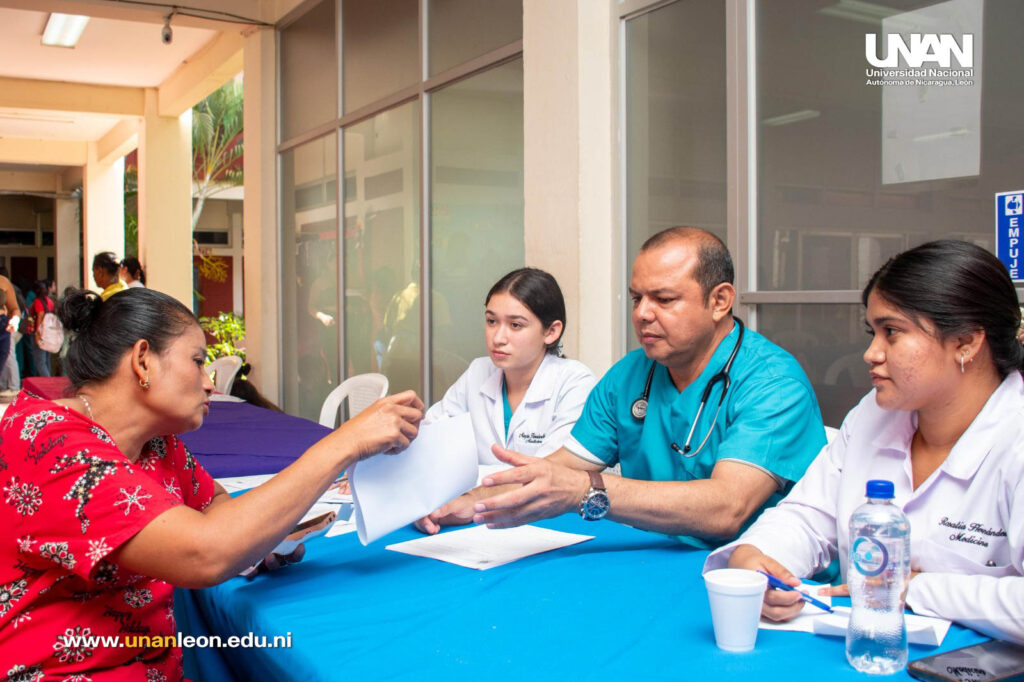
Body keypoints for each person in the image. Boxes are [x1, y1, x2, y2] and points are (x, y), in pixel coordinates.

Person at [0, 287, 424, 678]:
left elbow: (214, 506)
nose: (209, 383)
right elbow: (204, 553)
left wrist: (256, 541)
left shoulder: (156, 444)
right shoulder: (48, 442)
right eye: (198, 362)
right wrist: (341, 445)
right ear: (143, 359)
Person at [418, 227, 825, 546]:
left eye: (664, 299)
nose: (643, 314)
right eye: (636, 298)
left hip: (750, 578)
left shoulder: (772, 382)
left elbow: (728, 509)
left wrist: (585, 491)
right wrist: (469, 503)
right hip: (652, 554)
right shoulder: (630, 375)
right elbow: (563, 468)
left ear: (719, 301)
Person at [711, 240, 1024, 644]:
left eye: (891, 332)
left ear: (965, 342)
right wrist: (756, 559)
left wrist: (914, 588)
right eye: (872, 331)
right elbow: (805, 518)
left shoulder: (1014, 439)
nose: (871, 353)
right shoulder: (873, 415)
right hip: (862, 654)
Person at [427, 268, 595, 463]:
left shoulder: (574, 383)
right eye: (491, 321)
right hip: (481, 492)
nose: (497, 338)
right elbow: (433, 435)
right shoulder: (478, 372)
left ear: (551, 331)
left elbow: (550, 473)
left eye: (516, 325)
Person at [27, 279, 55, 376]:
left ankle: (47, 382)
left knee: (40, 361)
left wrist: (37, 334)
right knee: (46, 360)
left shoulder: (38, 302)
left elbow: (40, 316)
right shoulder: (50, 301)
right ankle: (49, 381)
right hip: (48, 333)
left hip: (40, 333)